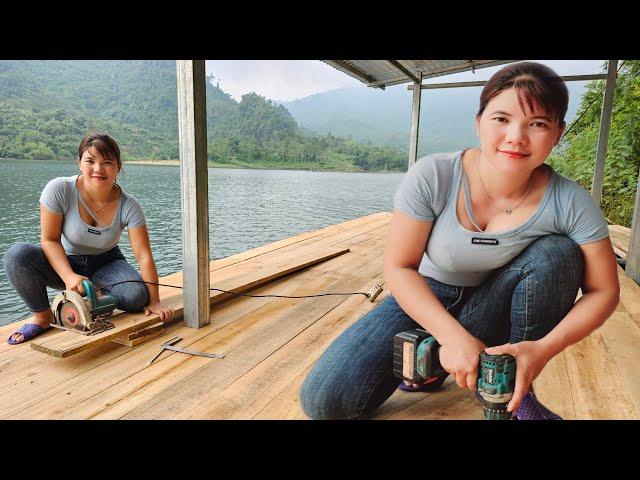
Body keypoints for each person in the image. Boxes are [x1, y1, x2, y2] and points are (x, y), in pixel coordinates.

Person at [299, 62, 620, 420]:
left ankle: (515, 393)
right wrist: (451, 337)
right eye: (501, 119)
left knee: (557, 254)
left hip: (498, 304)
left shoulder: (570, 201)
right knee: (325, 402)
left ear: (558, 133)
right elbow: (399, 266)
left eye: (538, 124)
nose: (516, 136)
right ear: (479, 122)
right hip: (427, 296)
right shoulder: (434, 175)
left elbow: (604, 291)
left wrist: (542, 349)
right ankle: (433, 359)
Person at [4, 132, 174, 344]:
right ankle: (43, 317)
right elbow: (49, 240)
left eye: (107, 162)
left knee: (136, 297)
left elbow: (144, 256)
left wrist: (155, 301)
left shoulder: (130, 205)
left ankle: (96, 297)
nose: (98, 169)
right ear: (79, 162)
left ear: (118, 167)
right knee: (17, 255)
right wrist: (69, 277)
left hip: (106, 261)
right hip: (64, 261)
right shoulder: (59, 189)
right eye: (90, 161)